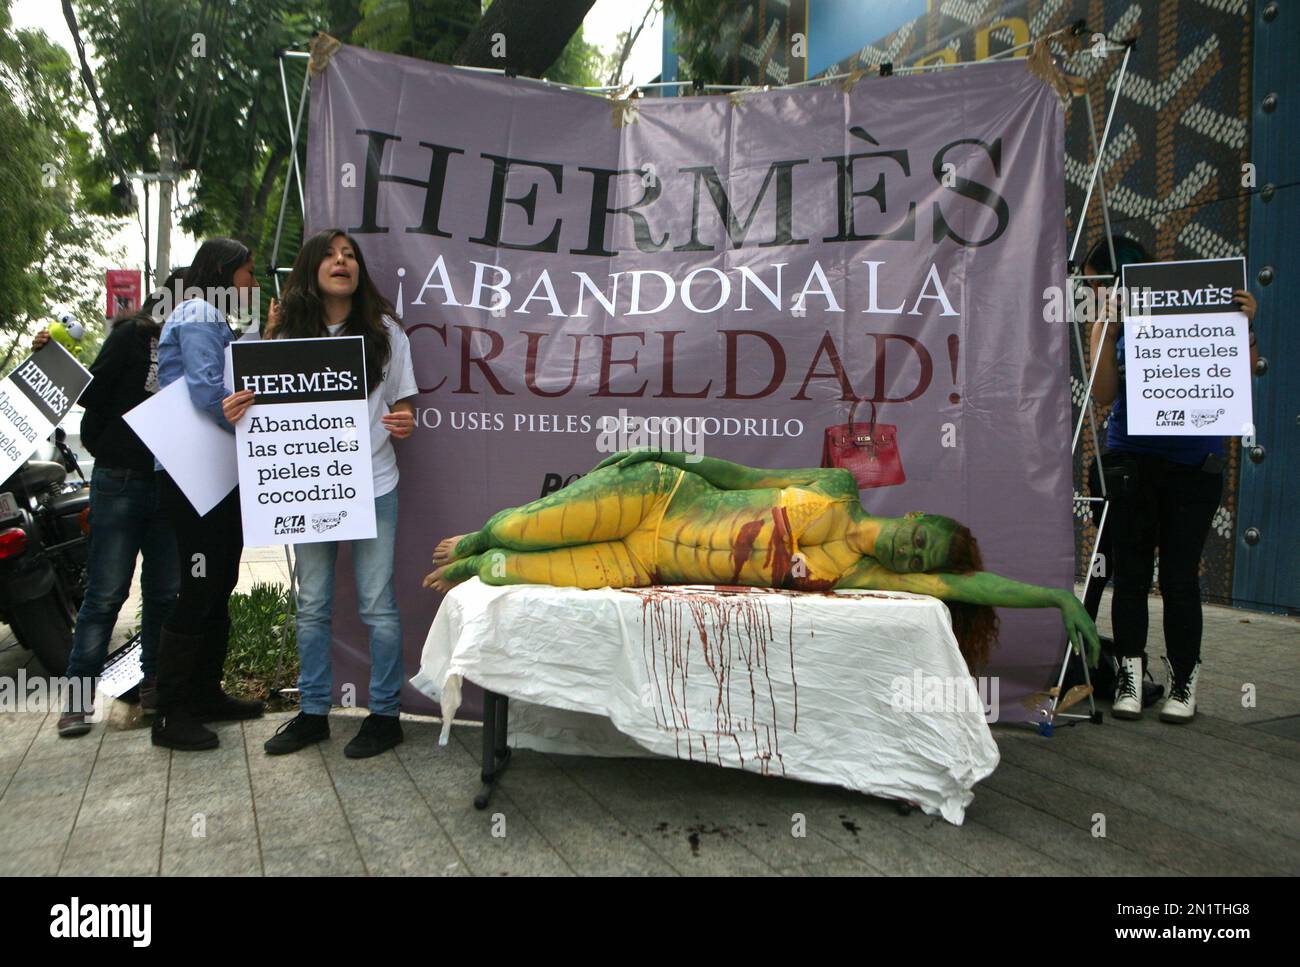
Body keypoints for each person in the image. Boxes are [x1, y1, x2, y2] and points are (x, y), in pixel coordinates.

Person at [426, 450, 1101, 673]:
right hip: (661, 496)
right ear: (915, 517)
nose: (909, 548)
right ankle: (473, 539)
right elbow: (742, 471)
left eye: (919, 557)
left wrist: (1058, 598)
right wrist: (663, 456)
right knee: (516, 528)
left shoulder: (858, 575)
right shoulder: (838, 487)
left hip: (647, 563)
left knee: (506, 570)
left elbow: (968, 582)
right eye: (919, 536)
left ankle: (472, 565)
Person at [251, 230, 418, 758]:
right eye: (329, 254)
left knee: (377, 606)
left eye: (349, 255)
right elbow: (263, 410)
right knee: (312, 605)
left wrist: (405, 420)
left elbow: (404, 405)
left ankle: (386, 715)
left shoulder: (386, 329)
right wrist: (240, 409)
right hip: (307, 491)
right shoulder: (284, 334)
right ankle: (313, 713)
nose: (341, 261)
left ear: (359, 270)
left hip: (373, 485)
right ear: (311, 268)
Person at [1085, 235, 1259, 723]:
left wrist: (1243, 329)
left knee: (1181, 577)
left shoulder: (1204, 309)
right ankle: (1130, 676)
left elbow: (1236, 385)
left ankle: (1184, 680)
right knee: (1132, 576)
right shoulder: (1110, 318)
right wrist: (1107, 329)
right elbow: (1101, 394)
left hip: (1192, 463)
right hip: (1131, 459)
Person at [51, 271, 186, 736]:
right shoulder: (133, 335)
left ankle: (154, 688)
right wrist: (52, 361)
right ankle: (76, 701)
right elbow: (92, 391)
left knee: (165, 593)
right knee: (106, 593)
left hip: (170, 483)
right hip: (121, 479)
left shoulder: (202, 344)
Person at [151, 239, 266, 751]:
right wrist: (256, 416)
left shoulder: (211, 315)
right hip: (190, 474)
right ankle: (171, 711)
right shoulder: (197, 312)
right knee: (200, 584)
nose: (253, 283)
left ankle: (205, 693)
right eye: (247, 271)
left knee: (219, 578)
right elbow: (205, 391)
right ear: (223, 270)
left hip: (211, 474)